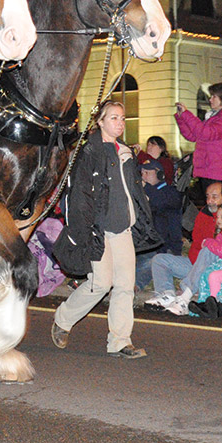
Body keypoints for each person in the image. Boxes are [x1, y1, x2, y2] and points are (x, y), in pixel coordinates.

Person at [50, 101, 162, 359]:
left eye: (122, 118)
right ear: (100, 122)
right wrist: (83, 229)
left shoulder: (126, 152)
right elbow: (79, 195)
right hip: (97, 228)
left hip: (122, 228)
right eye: (113, 118)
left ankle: (120, 341)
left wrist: (141, 219)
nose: (120, 123)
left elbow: (133, 192)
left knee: (125, 285)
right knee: (100, 283)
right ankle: (63, 319)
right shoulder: (88, 151)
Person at [145, 181, 222, 314]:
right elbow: (196, 242)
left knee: (208, 250)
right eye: (207, 197)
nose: (210, 201)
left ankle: (185, 296)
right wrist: (196, 267)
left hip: (218, 266)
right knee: (159, 260)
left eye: (214, 197)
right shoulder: (204, 213)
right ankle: (167, 295)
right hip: (196, 264)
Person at [174, 82, 222, 201]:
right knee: (210, 209)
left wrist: (187, 115)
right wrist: (181, 117)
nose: (210, 99)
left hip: (217, 173)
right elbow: (192, 136)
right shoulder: (214, 117)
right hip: (208, 171)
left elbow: (205, 133)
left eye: (214, 96)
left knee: (217, 209)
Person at [137, 158, 181, 293]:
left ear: (159, 174)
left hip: (163, 246)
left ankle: (135, 285)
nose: (143, 176)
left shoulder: (170, 193)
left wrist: (146, 188)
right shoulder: (143, 193)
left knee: (149, 263)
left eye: (147, 173)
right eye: (141, 173)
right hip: (144, 243)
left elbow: (161, 203)